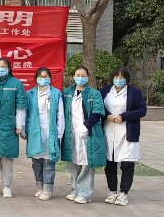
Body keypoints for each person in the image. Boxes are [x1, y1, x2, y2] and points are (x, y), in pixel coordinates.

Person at [100, 67, 147, 206]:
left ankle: (123, 193)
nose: (119, 80)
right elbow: (98, 107)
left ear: (126, 79)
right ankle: (112, 192)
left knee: (127, 164)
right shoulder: (105, 91)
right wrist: (107, 116)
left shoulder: (134, 92)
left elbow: (142, 110)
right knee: (110, 163)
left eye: (122, 77)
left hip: (127, 132)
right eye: (116, 77)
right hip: (109, 130)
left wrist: (124, 116)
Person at [0, 57, 27, 198]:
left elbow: (21, 106)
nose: (1, 68)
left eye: (4, 66)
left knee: (7, 157)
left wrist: (19, 125)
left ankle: (7, 186)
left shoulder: (16, 84)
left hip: (8, 125)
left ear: (9, 68)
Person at [61, 65, 105, 204]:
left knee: (87, 162)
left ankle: (84, 193)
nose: (80, 78)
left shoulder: (94, 94)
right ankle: (75, 189)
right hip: (71, 132)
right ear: (73, 77)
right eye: (78, 75)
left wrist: (86, 126)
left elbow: (98, 111)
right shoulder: (67, 92)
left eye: (83, 75)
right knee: (73, 161)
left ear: (88, 77)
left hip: (88, 133)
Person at [24, 67, 65, 201]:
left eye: (46, 76)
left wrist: (59, 132)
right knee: (36, 161)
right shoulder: (30, 94)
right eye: (41, 76)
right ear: (36, 78)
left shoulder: (56, 94)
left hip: (50, 131)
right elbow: (26, 113)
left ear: (50, 78)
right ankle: (40, 187)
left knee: (49, 161)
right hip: (35, 131)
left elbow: (60, 114)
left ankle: (48, 189)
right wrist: (24, 129)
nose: (43, 79)